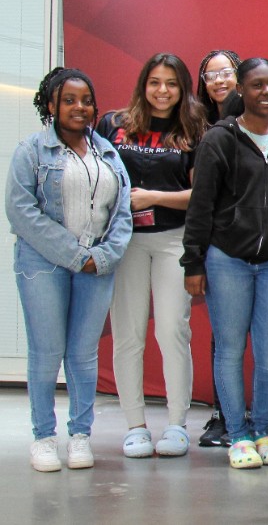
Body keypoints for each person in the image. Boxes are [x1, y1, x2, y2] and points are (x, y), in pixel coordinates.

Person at [182, 58, 268, 469]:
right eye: (257, 85)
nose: (267, 92)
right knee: (231, 350)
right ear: (241, 90)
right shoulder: (220, 138)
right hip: (227, 260)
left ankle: (264, 431)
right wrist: (193, 262)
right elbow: (201, 205)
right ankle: (237, 435)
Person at [11, 67, 132, 472]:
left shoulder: (107, 152)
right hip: (43, 263)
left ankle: (80, 436)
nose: (79, 107)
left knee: (82, 355)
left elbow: (123, 211)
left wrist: (105, 255)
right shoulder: (31, 151)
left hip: (97, 265)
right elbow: (21, 211)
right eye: (68, 100)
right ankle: (44, 438)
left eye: (86, 100)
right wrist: (76, 255)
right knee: (46, 353)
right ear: (51, 105)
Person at [96, 53, 203, 459]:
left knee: (173, 330)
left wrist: (154, 197)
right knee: (128, 334)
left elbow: (201, 194)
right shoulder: (113, 124)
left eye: (172, 83)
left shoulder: (194, 130)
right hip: (125, 242)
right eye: (155, 82)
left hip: (173, 239)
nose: (162, 90)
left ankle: (177, 424)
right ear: (143, 84)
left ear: (183, 89)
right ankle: (135, 426)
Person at [193, 48, 241, 447]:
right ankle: (222, 414)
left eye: (226, 72)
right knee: (224, 336)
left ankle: (259, 413)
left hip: (256, 244)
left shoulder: (259, 122)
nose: (220, 80)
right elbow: (197, 193)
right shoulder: (196, 126)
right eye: (212, 75)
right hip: (214, 245)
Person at [196, 49, 241, 125]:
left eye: (226, 73)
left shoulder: (255, 119)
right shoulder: (199, 125)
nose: (218, 80)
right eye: (210, 76)